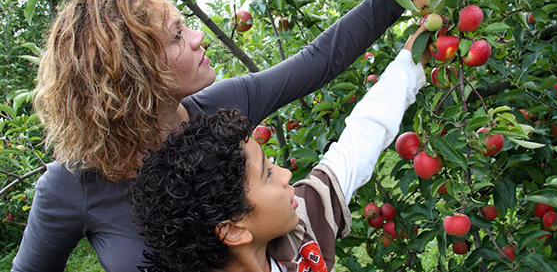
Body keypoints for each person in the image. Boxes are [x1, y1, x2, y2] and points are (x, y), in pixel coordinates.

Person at [12, 0, 459, 270]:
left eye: (185, 27)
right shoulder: (72, 185)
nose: (196, 39)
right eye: (175, 37)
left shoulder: (222, 110)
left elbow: (321, 60)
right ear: (130, 74)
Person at [130, 25, 429, 272]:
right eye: (268, 174)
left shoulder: (300, 230)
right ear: (234, 229)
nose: (287, 175)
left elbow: (362, 138)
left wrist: (411, 60)